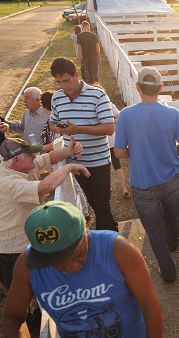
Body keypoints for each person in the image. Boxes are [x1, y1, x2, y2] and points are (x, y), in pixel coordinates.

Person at [2, 201, 179, 338]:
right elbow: (12, 318)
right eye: (55, 261)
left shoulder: (118, 250)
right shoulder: (27, 266)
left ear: (86, 231)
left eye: (77, 254)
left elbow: (149, 305)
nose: (69, 267)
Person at [114, 67, 179, 283]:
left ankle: (168, 271)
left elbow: (119, 152)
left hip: (142, 185)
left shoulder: (126, 115)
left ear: (138, 88)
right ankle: (173, 242)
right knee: (171, 215)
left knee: (154, 230)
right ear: (161, 88)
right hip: (170, 181)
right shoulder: (173, 114)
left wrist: (136, 151)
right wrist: (169, 149)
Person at [0, 136, 86, 291]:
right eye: (30, 154)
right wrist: (68, 168)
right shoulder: (7, 183)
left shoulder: (20, 166)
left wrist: (68, 151)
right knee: (19, 292)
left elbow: (47, 158)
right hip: (9, 252)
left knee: (35, 287)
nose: (35, 157)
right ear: (16, 160)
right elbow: (45, 187)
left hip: (23, 244)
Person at [49, 57, 118, 231]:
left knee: (102, 205)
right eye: (58, 82)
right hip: (76, 163)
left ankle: (106, 243)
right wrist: (63, 130)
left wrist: (79, 129)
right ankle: (112, 232)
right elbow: (52, 123)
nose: (63, 86)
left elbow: (109, 128)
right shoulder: (56, 98)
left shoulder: (98, 95)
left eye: (66, 81)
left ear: (77, 75)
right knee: (96, 204)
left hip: (99, 161)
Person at [40, 90, 90, 219]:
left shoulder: (58, 122)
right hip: (58, 156)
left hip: (64, 155)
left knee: (74, 185)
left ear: (46, 106)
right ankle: (84, 211)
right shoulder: (52, 121)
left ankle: (84, 212)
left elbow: (59, 141)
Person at [93, 83, 130, 198]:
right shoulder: (109, 104)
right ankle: (124, 188)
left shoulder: (93, 106)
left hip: (101, 141)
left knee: (105, 164)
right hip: (111, 140)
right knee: (116, 163)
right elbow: (119, 115)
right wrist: (113, 121)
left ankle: (111, 187)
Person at [6, 87, 51, 151]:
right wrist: (5, 123)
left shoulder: (47, 114)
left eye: (27, 98)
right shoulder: (26, 113)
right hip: (29, 152)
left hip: (44, 153)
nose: (24, 101)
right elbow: (21, 127)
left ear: (37, 100)